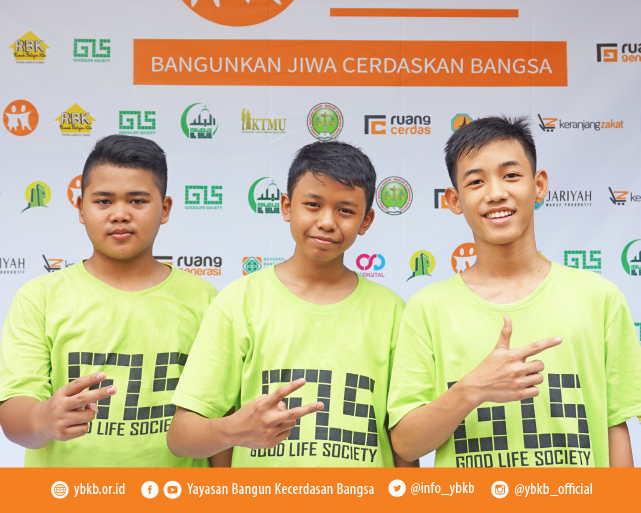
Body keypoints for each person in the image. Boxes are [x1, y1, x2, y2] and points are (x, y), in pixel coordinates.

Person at [388, 116, 641, 467]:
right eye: (476, 181)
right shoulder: (428, 308)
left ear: (539, 185)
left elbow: (615, 427)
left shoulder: (599, 298)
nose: (495, 193)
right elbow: (405, 445)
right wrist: (473, 389)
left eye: (510, 175)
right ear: (454, 200)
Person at [167, 141, 414, 467]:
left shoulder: (392, 311)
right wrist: (233, 430)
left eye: (345, 210)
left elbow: (403, 445)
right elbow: (181, 437)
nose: (327, 221)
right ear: (286, 206)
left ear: (366, 220)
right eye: (312, 205)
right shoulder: (240, 301)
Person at [0, 135, 218, 467]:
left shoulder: (205, 300)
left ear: (165, 209)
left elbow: (217, 418)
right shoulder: (39, 298)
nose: (119, 214)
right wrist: (44, 418)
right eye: (103, 201)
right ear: (80, 208)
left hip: (174, 492)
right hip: (64, 493)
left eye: (137, 201)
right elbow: (14, 419)